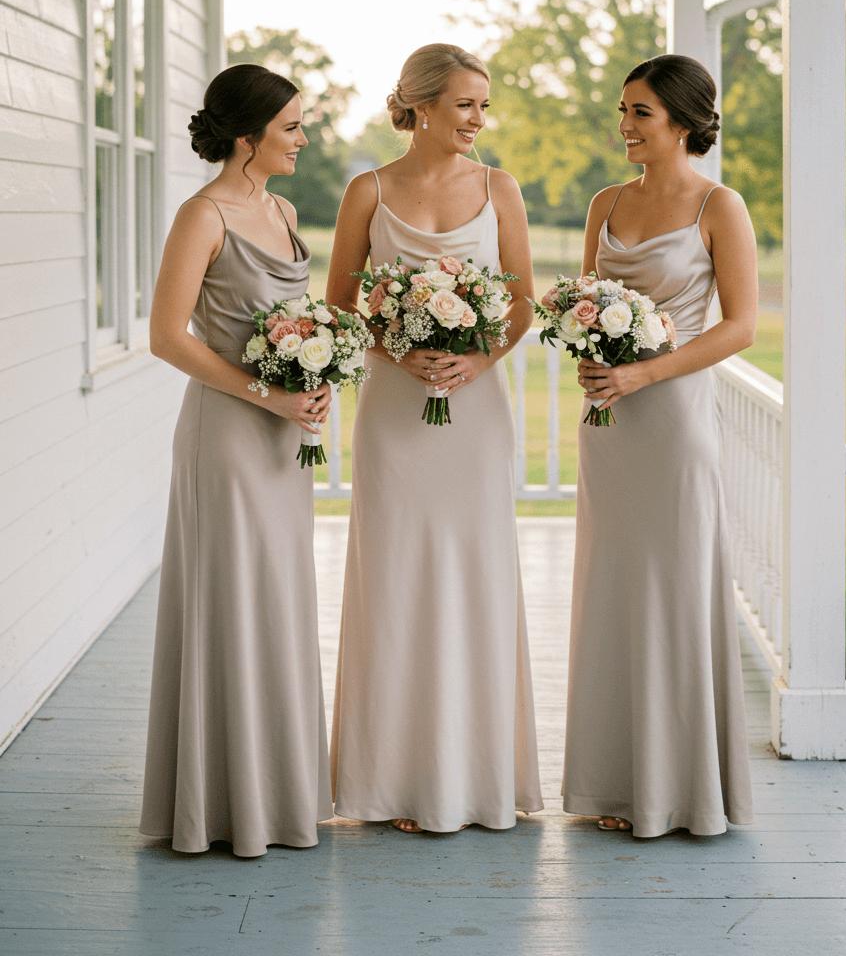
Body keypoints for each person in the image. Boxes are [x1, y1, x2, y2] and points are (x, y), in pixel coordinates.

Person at [326, 44, 543, 833]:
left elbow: (520, 303)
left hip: (476, 411)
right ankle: (392, 785)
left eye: (484, 106)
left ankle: (477, 783)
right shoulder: (368, 191)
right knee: (394, 579)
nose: (479, 121)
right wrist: (399, 350)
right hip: (392, 408)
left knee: (476, 576)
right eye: (465, 106)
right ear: (418, 106)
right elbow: (344, 304)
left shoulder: (499, 188)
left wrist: (475, 357)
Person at [139, 64, 332, 857]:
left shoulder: (281, 209)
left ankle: (276, 798)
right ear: (246, 138)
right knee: (229, 603)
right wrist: (268, 395)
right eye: (290, 126)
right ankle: (220, 810)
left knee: (276, 603)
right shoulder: (202, 215)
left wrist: (315, 380)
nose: (303, 137)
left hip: (284, 431)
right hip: (227, 433)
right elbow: (166, 336)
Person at [563, 54, 756, 838]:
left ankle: (682, 791)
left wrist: (645, 377)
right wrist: (587, 348)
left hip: (672, 422)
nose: (625, 126)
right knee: (610, 591)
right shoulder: (605, 201)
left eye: (639, 112)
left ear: (681, 119)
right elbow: (583, 297)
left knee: (674, 593)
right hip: (606, 426)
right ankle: (616, 784)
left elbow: (740, 326)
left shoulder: (720, 204)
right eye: (623, 111)